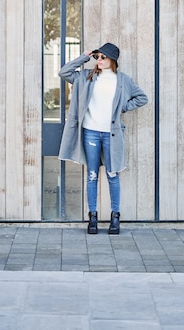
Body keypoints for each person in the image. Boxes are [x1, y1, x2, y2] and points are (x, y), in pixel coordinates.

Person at [58, 42, 148, 235]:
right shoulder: (85, 77)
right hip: (90, 132)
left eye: (102, 57)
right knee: (92, 175)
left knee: (112, 174)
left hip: (111, 134)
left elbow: (142, 98)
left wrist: (122, 107)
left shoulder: (123, 80)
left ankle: (115, 217)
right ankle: (93, 218)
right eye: (97, 56)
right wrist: (84, 57)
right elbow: (64, 72)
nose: (99, 60)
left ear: (112, 60)